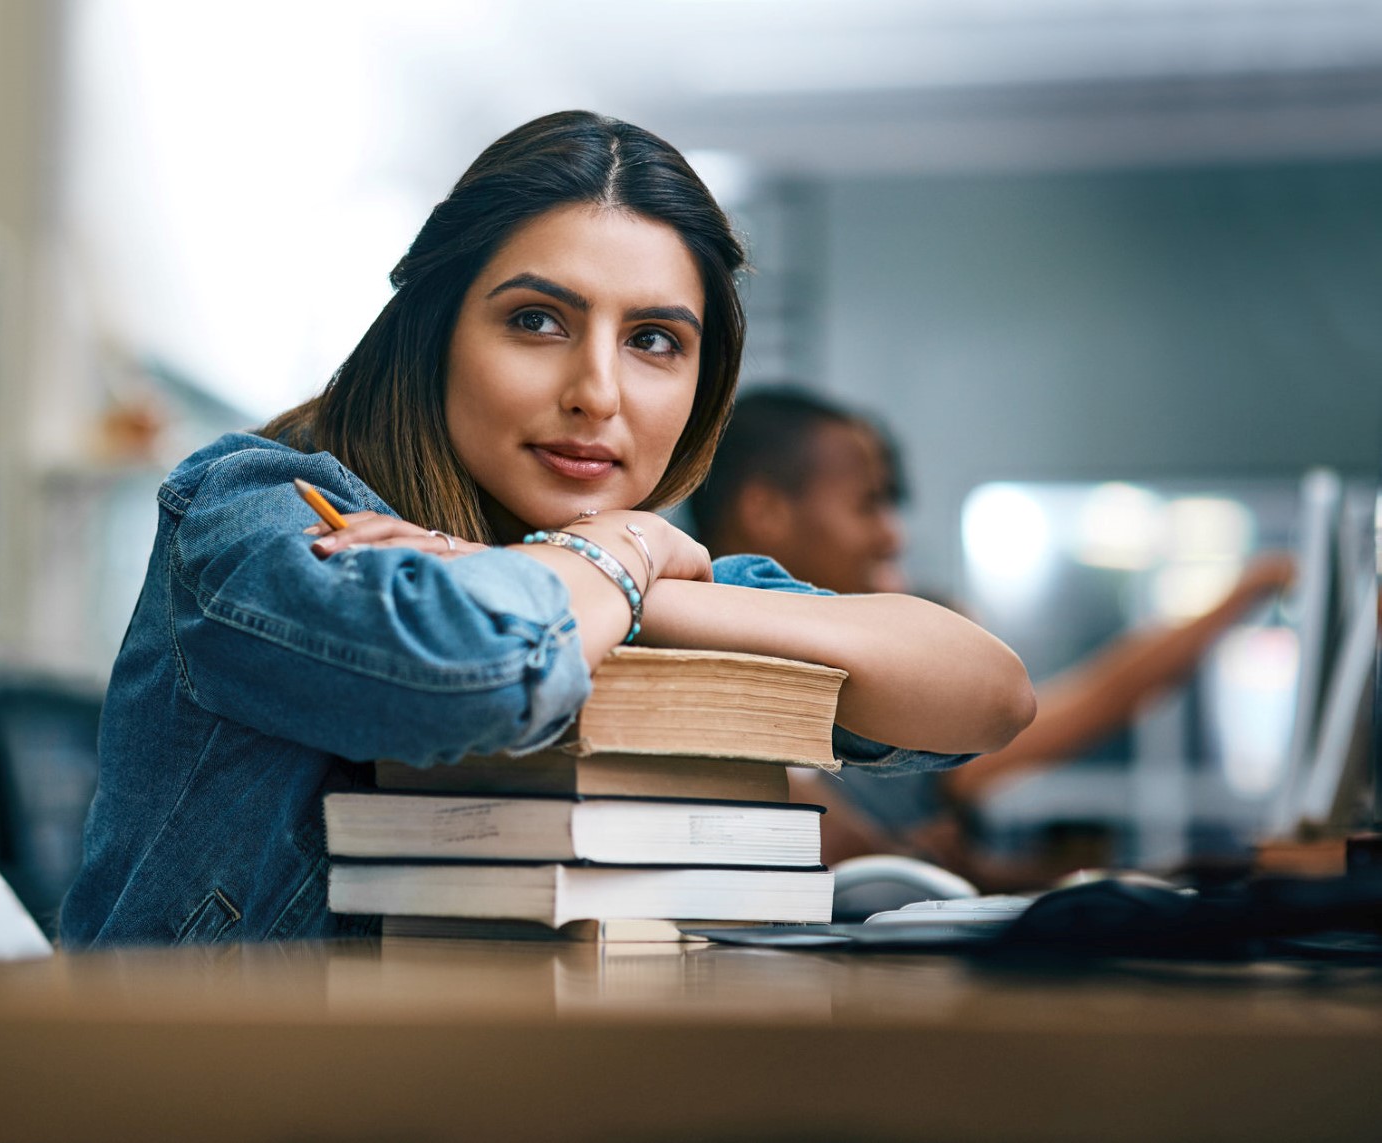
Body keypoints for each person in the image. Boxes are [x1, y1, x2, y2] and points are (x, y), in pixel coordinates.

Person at [60, 113, 1035, 947]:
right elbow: (477, 669)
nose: (596, 393)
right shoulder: (254, 509)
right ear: (434, 329)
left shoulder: (623, 580)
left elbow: (983, 696)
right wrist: (614, 553)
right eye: (536, 321)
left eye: (654, 341)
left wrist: (627, 577)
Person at [689, 385, 1295, 884]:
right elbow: (1091, 701)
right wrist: (1252, 587)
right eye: (868, 505)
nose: (893, 536)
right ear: (766, 509)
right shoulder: (701, 680)